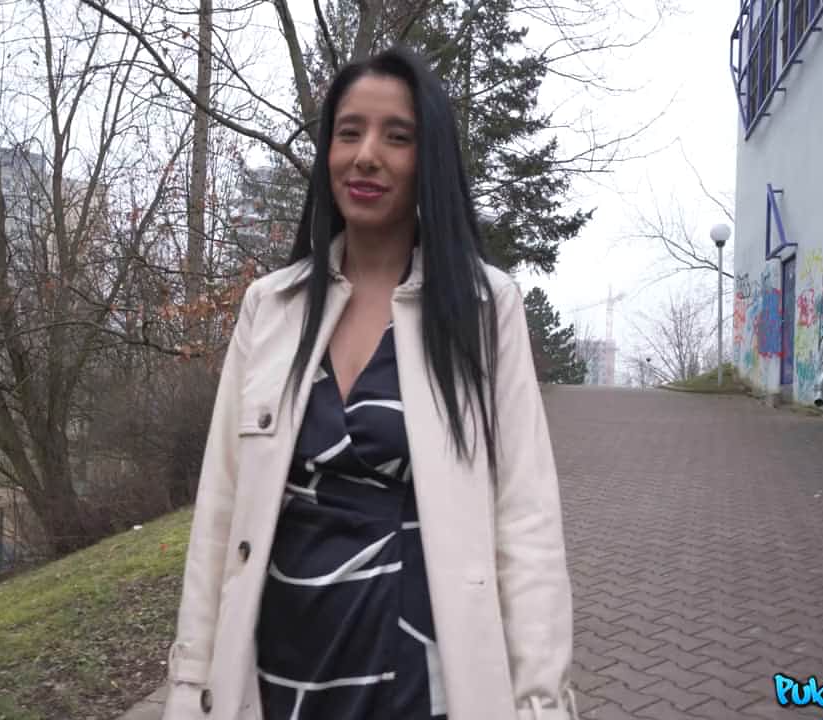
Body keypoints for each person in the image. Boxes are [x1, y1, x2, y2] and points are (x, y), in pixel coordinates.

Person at [162, 45, 574, 720]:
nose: (367, 155)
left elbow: (525, 520)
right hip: (282, 670)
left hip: (424, 674)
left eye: (397, 136)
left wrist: (540, 702)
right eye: (349, 132)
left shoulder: (481, 307)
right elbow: (220, 510)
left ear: (429, 159)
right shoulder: (272, 308)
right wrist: (190, 686)